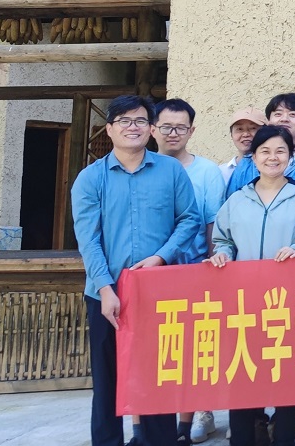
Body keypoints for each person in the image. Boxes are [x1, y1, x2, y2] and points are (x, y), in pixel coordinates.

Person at [71, 95, 202, 446]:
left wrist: (161, 257)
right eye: (125, 121)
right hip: (107, 295)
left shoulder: (170, 171)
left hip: (158, 293)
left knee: (158, 379)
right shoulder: (90, 178)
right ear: (110, 129)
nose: (133, 127)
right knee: (108, 382)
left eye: (141, 121)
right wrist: (105, 289)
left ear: (151, 128)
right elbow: (89, 239)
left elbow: (190, 219)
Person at [210, 125, 295, 446]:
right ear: (254, 157)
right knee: (244, 373)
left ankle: (285, 438)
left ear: (290, 157)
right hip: (244, 303)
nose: (272, 157)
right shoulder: (237, 199)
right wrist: (222, 255)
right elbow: (223, 240)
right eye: (265, 151)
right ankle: (243, 438)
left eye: (280, 151)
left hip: (288, 303)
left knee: (288, 376)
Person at [154, 98, 227, 445]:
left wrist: (211, 264)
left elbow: (214, 222)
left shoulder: (208, 171)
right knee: (159, 348)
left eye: (180, 127)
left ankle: (201, 410)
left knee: (197, 347)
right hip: (153, 273)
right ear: (153, 129)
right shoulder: (144, 167)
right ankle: (156, 416)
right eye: (166, 127)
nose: (173, 133)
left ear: (192, 130)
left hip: (195, 268)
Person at [227, 93, 295, 217]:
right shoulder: (247, 163)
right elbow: (229, 210)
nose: (284, 119)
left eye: (292, 114)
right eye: (278, 114)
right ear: (268, 121)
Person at [221, 106, 265, 183]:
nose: (245, 134)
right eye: (239, 129)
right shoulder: (221, 173)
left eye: (253, 128)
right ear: (231, 135)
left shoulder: (275, 169)